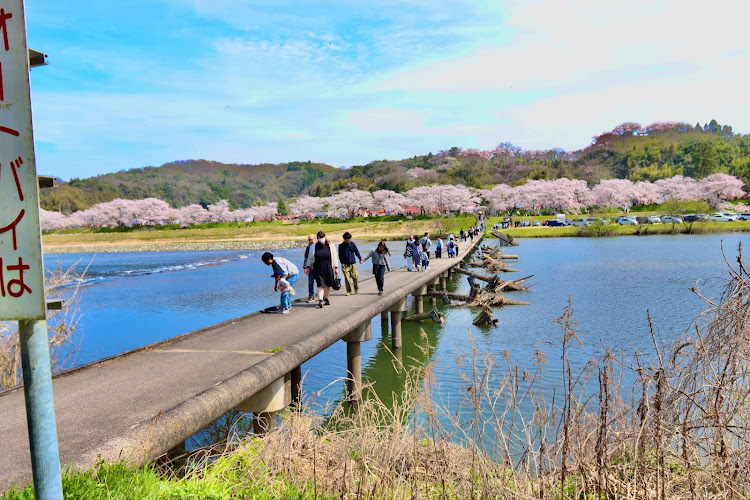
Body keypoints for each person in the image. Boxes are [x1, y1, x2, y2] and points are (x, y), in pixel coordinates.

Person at [307, 230, 339, 309]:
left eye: (322, 237)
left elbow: (335, 257)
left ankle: (326, 299)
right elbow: (310, 257)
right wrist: (307, 266)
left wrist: (336, 267)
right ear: (317, 238)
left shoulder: (330, 246)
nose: (321, 239)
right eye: (319, 238)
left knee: (327, 284)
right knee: (320, 284)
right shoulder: (313, 246)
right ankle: (320, 300)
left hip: (328, 267)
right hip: (318, 267)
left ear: (325, 237)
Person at [338, 232, 362, 296]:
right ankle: (348, 291)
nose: (348, 240)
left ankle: (356, 287)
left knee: (355, 276)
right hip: (344, 264)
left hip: (352, 263)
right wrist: (342, 262)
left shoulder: (352, 244)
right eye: (347, 239)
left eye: (349, 239)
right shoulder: (341, 246)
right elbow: (340, 255)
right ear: (344, 239)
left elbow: (356, 251)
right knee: (347, 278)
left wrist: (360, 258)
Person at [303, 234, 317, 303]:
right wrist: (305, 267)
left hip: (318, 268)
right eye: (309, 240)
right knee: (310, 283)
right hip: (310, 268)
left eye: (311, 239)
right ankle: (311, 296)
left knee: (320, 282)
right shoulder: (308, 247)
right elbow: (306, 257)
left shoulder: (319, 246)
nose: (310, 241)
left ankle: (322, 296)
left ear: (315, 239)